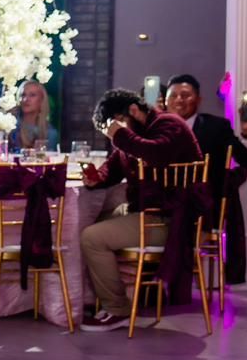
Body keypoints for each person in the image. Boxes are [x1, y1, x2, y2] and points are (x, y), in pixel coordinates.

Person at [78, 88, 204, 329]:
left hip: (173, 219)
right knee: (91, 220)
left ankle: (117, 308)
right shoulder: (133, 135)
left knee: (92, 238)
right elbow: (113, 168)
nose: (114, 136)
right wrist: (97, 178)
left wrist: (121, 134)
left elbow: (155, 153)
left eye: (114, 127)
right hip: (146, 212)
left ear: (134, 111)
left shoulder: (170, 125)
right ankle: (94, 297)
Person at [162, 73, 247, 284]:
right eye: (174, 95)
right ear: (165, 101)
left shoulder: (216, 127)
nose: (179, 100)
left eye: (186, 95)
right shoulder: (156, 128)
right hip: (163, 206)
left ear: (198, 100)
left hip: (203, 210)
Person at [9, 79, 58, 152]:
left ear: (41, 100)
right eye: (23, 95)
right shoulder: (11, 127)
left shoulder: (50, 132)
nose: (26, 99)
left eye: (32, 95)